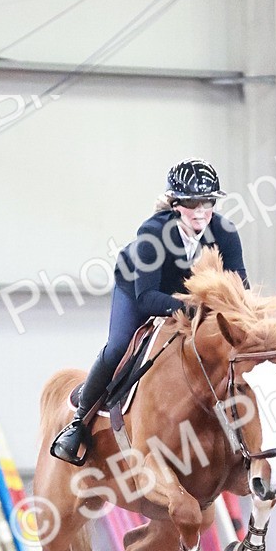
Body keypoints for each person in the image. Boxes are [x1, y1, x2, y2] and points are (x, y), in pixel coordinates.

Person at [51, 158, 248, 465]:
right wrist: (190, 307)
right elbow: (147, 298)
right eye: (191, 202)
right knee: (119, 346)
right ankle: (78, 422)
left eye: (207, 202)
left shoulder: (224, 232)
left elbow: (240, 284)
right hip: (140, 290)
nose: (200, 211)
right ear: (175, 203)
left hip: (189, 297)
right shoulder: (154, 233)